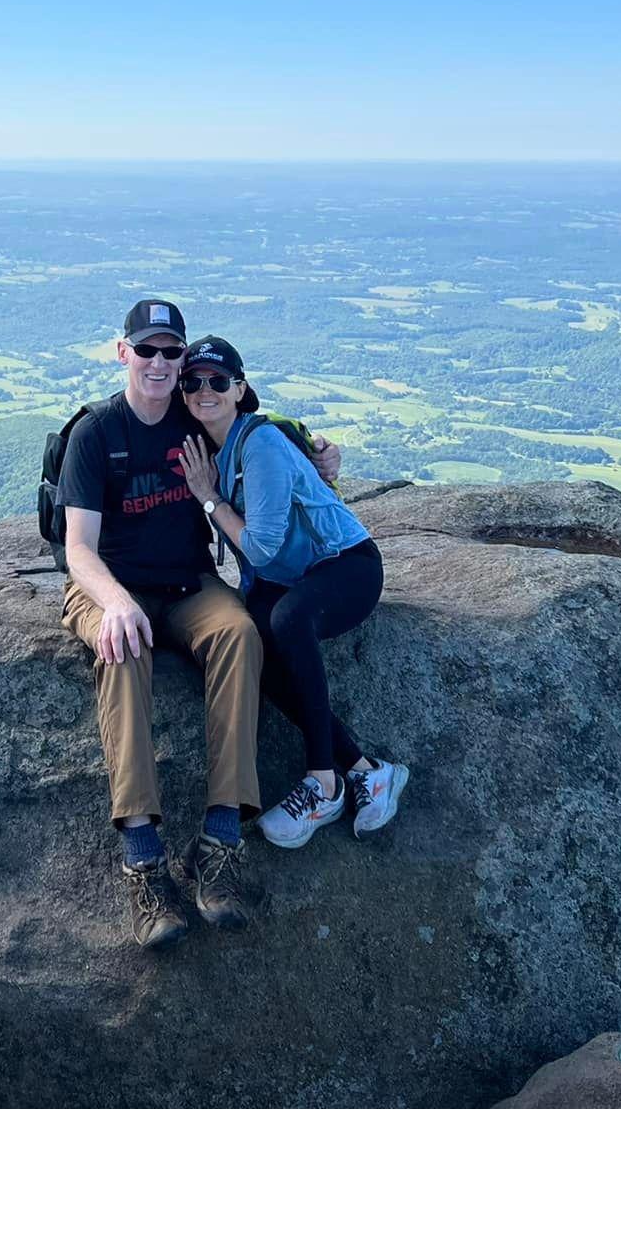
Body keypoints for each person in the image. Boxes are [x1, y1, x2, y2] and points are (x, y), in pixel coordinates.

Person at [57, 297, 341, 950]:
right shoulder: (95, 435)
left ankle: (219, 840)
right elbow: (78, 550)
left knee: (239, 633)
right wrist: (117, 603)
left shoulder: (191, 414)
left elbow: (268, 431)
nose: (160, 363)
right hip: (108, 587)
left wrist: (321, 454)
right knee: (123, 648)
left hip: (188, 585)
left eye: (171, 352)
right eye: (147, 349)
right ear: (122, 351)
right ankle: (143, 857)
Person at [177, 335, 409, 850]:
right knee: (248, 642)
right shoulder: (208, 444)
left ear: (241, 389)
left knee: (285, 622)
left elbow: (259, 547)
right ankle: (368, 771)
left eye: (218, 381)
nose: (204, 390)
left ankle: (322, 782)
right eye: (193, 381)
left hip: (345, 566)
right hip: (288, 580)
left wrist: (210, 499)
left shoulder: (257, 443)